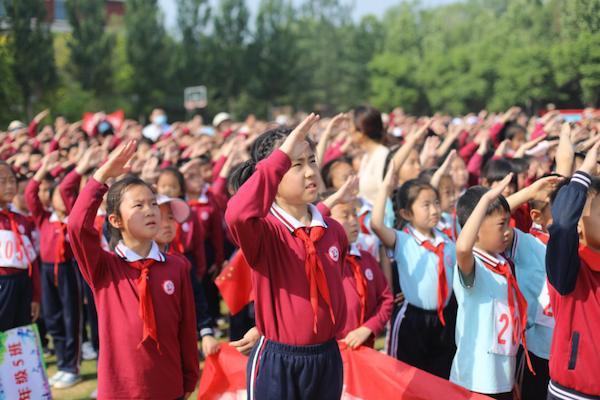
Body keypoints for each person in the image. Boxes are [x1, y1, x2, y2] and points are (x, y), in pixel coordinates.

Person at [225, 114, 348, 400]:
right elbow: (237, 213)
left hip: (327, 356)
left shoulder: (333, 232)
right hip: (278, 361)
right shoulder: (265, 232)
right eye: (296, 164)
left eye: (312, 161)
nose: (309, 172)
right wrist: (279, 158)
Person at [68, 141, 199, 399]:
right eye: (138, 206)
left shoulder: (176, 266)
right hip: (120, 391)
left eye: (153, 204)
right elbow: (76, 225)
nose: (150, 211)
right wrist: (102, 176)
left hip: (168, 387)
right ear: (116, 220)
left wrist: (188, 379)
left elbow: (186, 329)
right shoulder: (103, 268)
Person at [452, 174, 533, 399]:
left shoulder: (503, 266)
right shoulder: (473, 265)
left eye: (509, 222)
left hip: (501, 381)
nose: (508, 230)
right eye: (501, 224)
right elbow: (462, 248)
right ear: (476, 229)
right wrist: (486, 199)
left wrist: (509, 379)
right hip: (475, 381)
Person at [372, 168, 457, 379]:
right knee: (407, 378)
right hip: (413, 320)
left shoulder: (448, 242)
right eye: (426, 205)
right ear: (406, 214)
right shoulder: (403, 240)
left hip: (444, 318)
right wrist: (385, 188)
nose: (435, 210)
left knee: (440, 377)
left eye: (436, 203)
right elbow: (376, 224)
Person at [545, 141, 600, 399]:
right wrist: (584, 173)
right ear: (579, 225)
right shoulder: (568, 268)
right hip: (572, 394)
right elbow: (563, 223)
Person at [25, 152, 84, 389]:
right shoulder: (43, 218)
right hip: (47, 270)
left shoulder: (73, 219)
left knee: (72, 318)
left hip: (69, 271)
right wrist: (42, 169)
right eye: (55, 195)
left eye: (63, 195)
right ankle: (61, 364)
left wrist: (80, 168)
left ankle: (73, 366)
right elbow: (30, 193)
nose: (60, 198)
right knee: (53, 316)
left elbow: (69, 191)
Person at [318, 178, 394, 349]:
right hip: (332, 351)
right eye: (345, 215)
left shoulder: (366, 259)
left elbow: (386, 299)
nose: (353, 221)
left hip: (365, 348)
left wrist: (368, 328)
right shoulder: (320, 260)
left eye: (355, 214)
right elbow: (310, 223)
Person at [0, 161, 40, 332]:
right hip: (3, 284)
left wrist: (36, 296)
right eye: (3, 181)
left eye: (12, 181)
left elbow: (32, 260)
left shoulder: (22, 219)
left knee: (20, 335)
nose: (9, 186)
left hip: (23, 283)